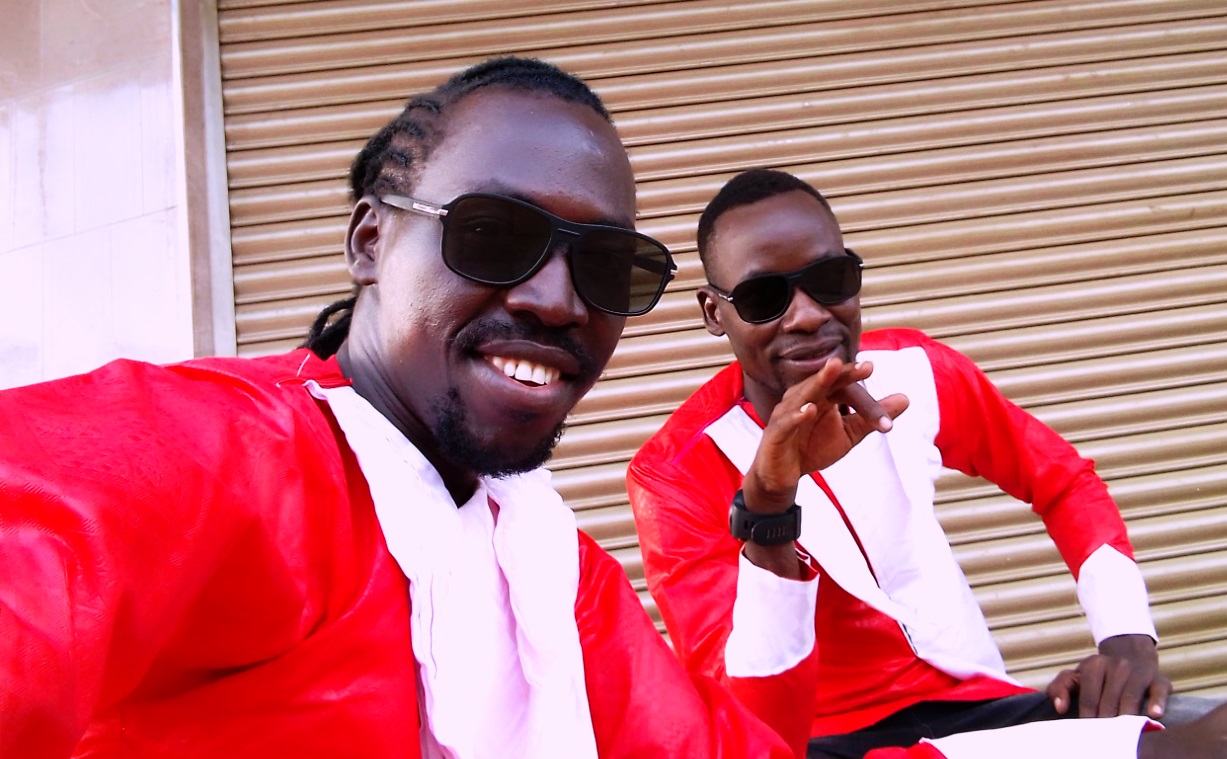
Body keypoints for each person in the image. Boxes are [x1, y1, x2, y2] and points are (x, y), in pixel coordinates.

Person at [0, 57, 863, 759]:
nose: (556, 300)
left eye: (606, 264)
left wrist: (770, 510)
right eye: (491, 235)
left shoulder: (548, 567)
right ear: (369, 241)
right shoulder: (233, 453)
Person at [627, 168, 1225, 758]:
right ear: (714, 313)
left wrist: (1125, 638)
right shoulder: (672, 475)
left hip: (984, 711)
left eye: (830, 280)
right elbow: (750, 728)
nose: (807, 315)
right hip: (823, 743)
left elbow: (1061, 480)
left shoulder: (913, 371)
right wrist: (768, 512)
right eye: (764, 297)